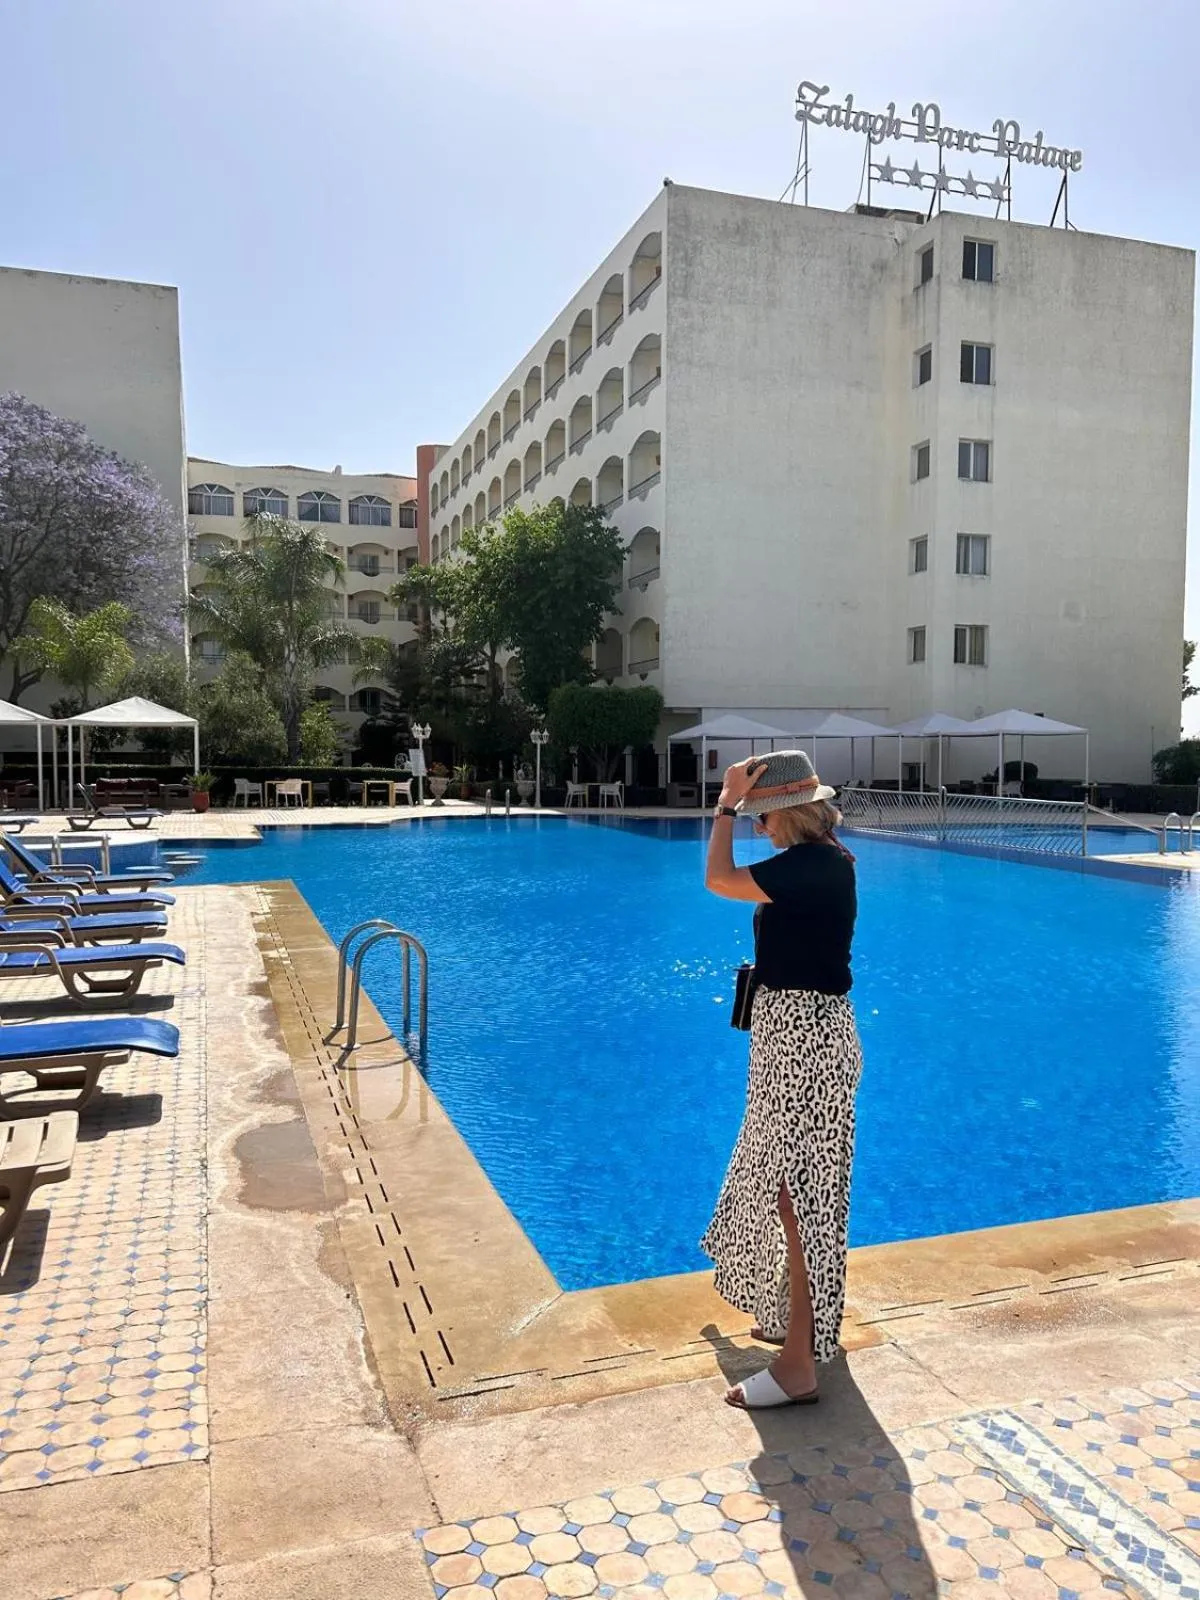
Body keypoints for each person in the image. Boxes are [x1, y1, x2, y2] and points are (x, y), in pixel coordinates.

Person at [700, 749, 863, 1410]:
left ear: (784, 812)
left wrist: (723, 806)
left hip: (806, 1047)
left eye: (762, 816)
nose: (757, 827)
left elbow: (717, 878)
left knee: (802, 1198)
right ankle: (798, 1321)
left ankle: (799, 1365)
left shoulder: (813, 866)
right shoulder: (819, 862)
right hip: (790, 1042)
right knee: (784, 1187)